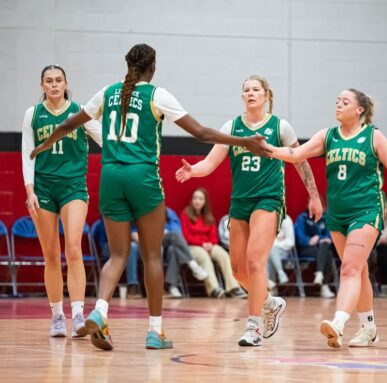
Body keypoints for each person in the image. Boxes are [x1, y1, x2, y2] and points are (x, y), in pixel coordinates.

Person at [30, 44, 270, 351]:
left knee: (117, 255)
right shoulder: (157, 95)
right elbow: (201, 133)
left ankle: (100, 310)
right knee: (152, 255)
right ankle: (155, 331)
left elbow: (66, 125)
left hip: (111, 178)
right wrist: (243, 141)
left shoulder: (107, 93)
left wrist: (42, 146)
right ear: (152, 66)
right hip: (142, 177)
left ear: (127, 64)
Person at [265, 88, 387, 349]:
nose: (338, 104)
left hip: (366, 211)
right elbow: (295, 155)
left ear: (360, 109)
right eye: (337, 100)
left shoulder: (374, 137)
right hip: (337, 215)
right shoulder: (327, 136)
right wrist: (266, 148)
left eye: (345, 101)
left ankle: (338, 323)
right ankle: (369, 328)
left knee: (349, 268)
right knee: (358, 271)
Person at [176, 75, 322, 347]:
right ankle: (270, 302)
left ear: (266, 95)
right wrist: (192, 171)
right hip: (240, 203)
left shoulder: (281, 126)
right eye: (246, 90)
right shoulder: (232, 127)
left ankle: (253, 327)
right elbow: (209, 164)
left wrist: (314, 196)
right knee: (238, 270)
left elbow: (300, 161)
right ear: (242, 96)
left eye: (256, 89)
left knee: (255, 261)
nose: (251, 93)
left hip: (268, 200)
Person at [21, 64, 102, 338]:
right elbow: (26, 154)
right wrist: (29, 190)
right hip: (43, 188)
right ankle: (57, 316)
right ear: (42, 85)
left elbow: (106, 140)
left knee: (73, 248)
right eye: (48, 81)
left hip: (73, 187)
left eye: (58, 80)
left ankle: (78, 314)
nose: (54, 85)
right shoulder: (33, 115)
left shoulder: (81, 113)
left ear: (66, 84)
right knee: (51, 255)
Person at [181, 188, 247, 298]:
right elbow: (186, 236)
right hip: (192, 246)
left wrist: (210, 244)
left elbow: (214, 237)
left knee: (223, 255)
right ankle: (214, 289)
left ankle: (234, 288)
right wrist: (202, 244)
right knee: (204, 257)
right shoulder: (185, 214)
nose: (197, 201)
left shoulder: (208, 216)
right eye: (195, 198)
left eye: (200, 199)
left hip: (208, 245)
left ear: (205, 201)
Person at [162, 207, 208, 298]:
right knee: (175, 236)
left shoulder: (168, 212)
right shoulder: (142, 211)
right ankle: (193, 265)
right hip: (152, 242)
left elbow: (176, 229)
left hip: (167, 243)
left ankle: (171, 287)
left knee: (174, 249)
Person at [295, 205, 337, 299]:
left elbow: (329, 236)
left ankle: (319, 274)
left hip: (321, 248)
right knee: (327, 253)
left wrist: (319, 239)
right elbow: (300, 239)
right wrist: (310, 240)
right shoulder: (302, 218)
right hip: (306, 249)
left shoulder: (326, 218)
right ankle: (324, 286)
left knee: (326, 249)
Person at [266, 214, 293, 291]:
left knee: (269, 250)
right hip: (267, 251)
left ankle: (271, 288)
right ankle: (280, 273)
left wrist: (274, 243)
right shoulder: (264, 219)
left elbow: (290, 242)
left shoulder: (286, 219)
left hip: (283, 251)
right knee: (267, 254)